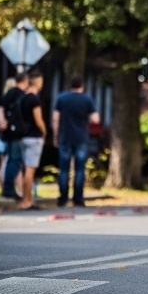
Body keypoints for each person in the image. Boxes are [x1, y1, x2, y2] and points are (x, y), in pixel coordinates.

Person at [52, 75, 99, 207]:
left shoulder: (61, 98)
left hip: (65, 137)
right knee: (79, 169)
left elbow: (55, 118)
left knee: (64, 169)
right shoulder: (87, 99)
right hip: (81, 138)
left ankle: (63, 198)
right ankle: (78, 198)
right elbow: (95, 119)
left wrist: (56, 135)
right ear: (82, 86)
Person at [0, 72, 29, 200]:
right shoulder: (21, 95)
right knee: (15, 161)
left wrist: (2, 120)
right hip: (17, 133)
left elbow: (0, 108)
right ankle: (9, 188)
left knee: (9, 161)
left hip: (7, 133)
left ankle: (7, 188)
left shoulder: (9, 94)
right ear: (25, 81)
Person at [17, 70, 46, 211]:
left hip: (23, 136)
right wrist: (44, 132)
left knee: (24, 169)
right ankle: (27, 200)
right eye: (41, 81)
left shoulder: (23, 98)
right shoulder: (34, 100)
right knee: (30, 170)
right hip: (34, 137)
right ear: (37, 81)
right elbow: (38, 120)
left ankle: (26, 199)